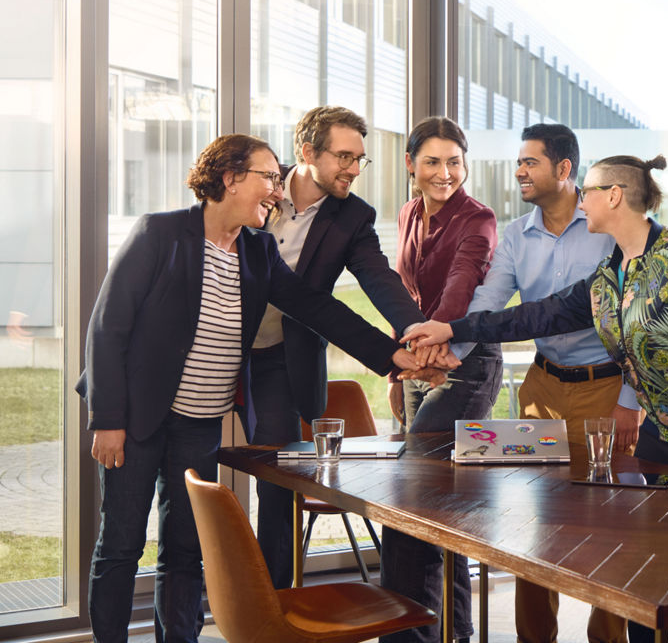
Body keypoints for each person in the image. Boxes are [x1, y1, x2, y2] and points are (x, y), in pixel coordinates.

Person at [409, 154, 668, 643]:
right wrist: (453, 329)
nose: (582, 202)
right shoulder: (609, 276)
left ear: (615, 196)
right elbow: (534, 316)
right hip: (660, 442)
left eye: (590, 193)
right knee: (649, 582)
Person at [78, 134, 426, 643]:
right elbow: (107, 328)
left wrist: (392, 355)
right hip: (135, 420)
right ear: (230, 178)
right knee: (121, 546)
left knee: (185, 550)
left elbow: (318, 308)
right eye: (268, 178)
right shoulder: (160, 233)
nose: (278, 192)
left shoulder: (258, 250)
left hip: (200, 425)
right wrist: (108, 421)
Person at [453, 123, 640, 643]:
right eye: (518, 162)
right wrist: (447, 352)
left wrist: (631, 398)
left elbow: (636, 320)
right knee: (534, 524)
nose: (519, 171)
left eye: (529, 162)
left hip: (606, 388)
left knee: (612, 522)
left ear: (563, 168)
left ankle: (608, 638)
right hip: (542, 389)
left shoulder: (608, 225)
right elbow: (490, 304)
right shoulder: (515, 235)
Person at [243, 105, 427, 589]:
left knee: (279, 484)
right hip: (217, 349)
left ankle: (276, 603)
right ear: (308, 152)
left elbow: (378, 278)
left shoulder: (353, 216)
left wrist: (414, 330)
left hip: (280, 359)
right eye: (344, 156)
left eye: (359, 159)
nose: (354, 168)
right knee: (192, 477)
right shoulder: (258, 186)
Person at [380, 116, 503, 643]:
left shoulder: (479, 218)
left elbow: (461, 284)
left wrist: (434, 346)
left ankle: (409, 635)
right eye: (432, 161)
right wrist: (400, 367)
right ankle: (454, 632)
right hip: (417, 362)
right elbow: (404, 294)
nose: (444, 173)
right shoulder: (409, 213)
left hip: (465, 365)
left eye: (454, 162)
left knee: (411, 493)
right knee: (439, 505)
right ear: (410, 164)